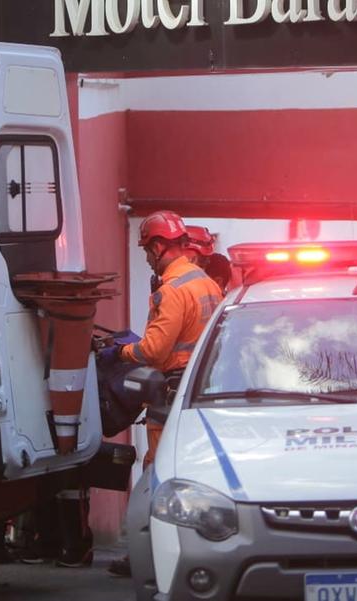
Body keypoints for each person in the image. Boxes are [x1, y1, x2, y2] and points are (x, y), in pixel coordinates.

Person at [103, 211, 223, 577]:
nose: (146, 258)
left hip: (169, 389)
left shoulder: (172, 291)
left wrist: (120, 350)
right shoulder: (206, 283)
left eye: (146, 251)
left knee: (157, 470)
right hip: (200, 388)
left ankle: (150, 554)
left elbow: (153, 350)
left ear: (158, 246)